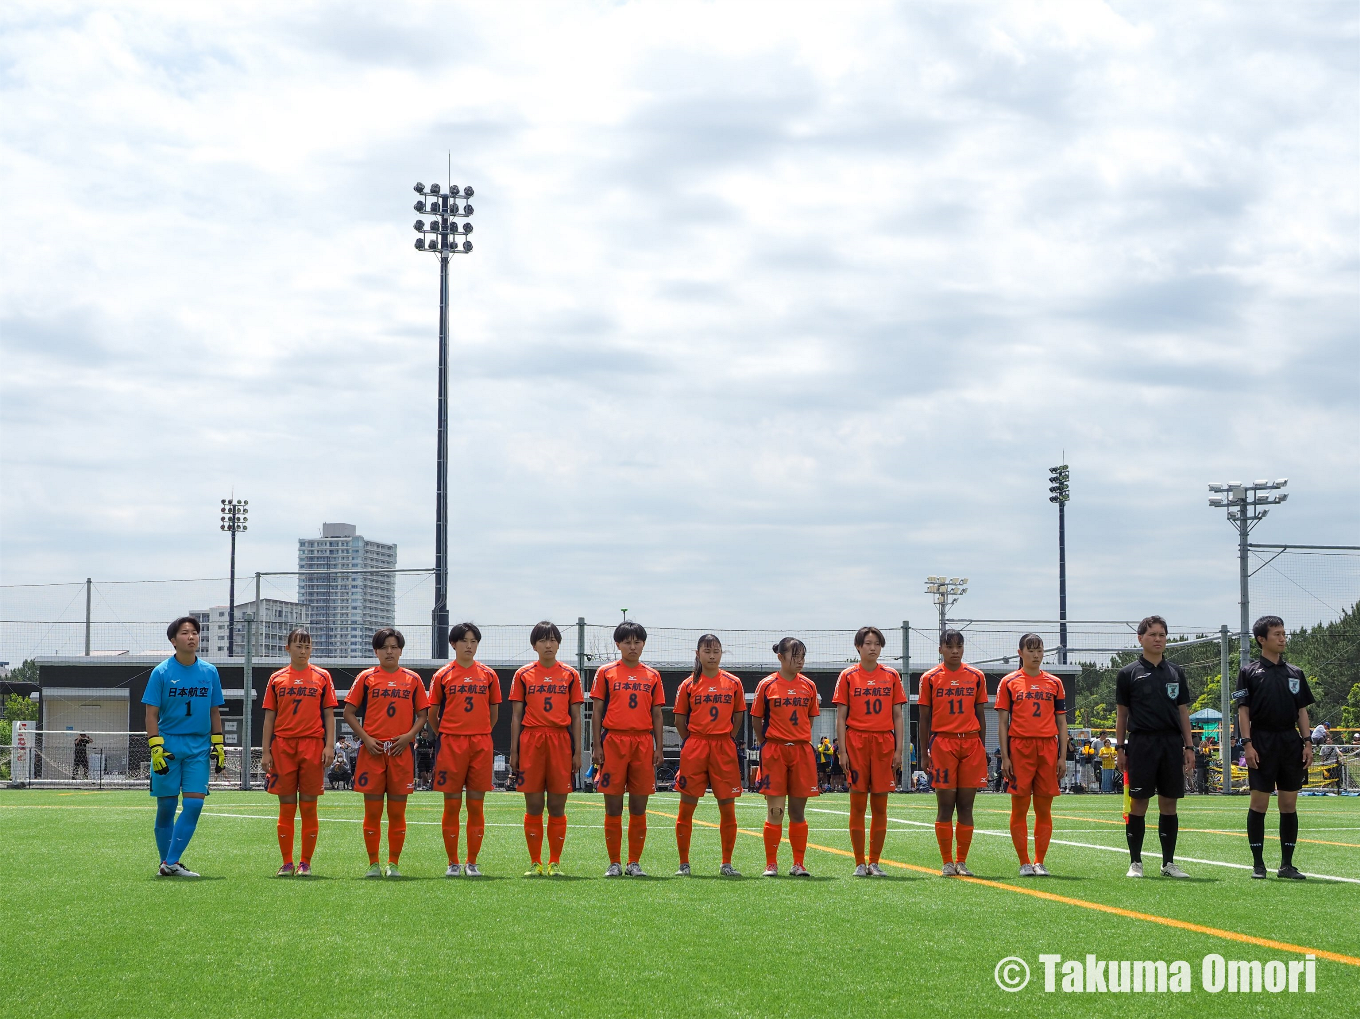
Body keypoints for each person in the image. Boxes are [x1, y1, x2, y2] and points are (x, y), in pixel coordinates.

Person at [142, 616, 226, 877]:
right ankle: (167, 863)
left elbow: (214, 712)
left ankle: (171, 862)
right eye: (185, 633)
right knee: (166, 808)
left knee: (194, 805)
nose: (191, 637)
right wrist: (156, 747)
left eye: (195, 633)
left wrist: (219, 743)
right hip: (168, 748)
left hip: (198, 748)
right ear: (173, 640)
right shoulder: (161, 672)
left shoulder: (209, 672)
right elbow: (151, 714)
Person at [342, 628, 429, 878]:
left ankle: (393, 863)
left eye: (394, 647)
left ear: (401, 650)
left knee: (397, 812)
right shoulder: (366, 677)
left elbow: (423, 715)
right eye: (384, 647)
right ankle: (373, 864)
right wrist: (366, 738)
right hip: (373, 751)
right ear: (376, 651)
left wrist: (409, 737)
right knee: (372, 812)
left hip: (400, 752)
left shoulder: (412, 679)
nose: (389, 651)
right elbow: (349, 712)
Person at [1234, 614, 1314, 880]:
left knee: (1289, 804)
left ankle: (1287, 865)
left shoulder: (1296, 673)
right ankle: (1258, 864)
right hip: (1262, 740)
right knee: (1259, 803)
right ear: (1261, 639)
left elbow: (1301, 711)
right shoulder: (1248, 672)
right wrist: (1247, 744)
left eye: (1283, 633)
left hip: (1290, 742)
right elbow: (1243, 712)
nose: (1283, 638)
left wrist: (1307, 743)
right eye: (1277, 634)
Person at [1115, 615, 1195, 879]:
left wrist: (1189, 746)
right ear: (1140, 638)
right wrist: (1120, 748)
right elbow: (1122, 715)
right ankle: (1135, 862)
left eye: (1162, 634)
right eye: (1153, 635)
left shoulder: (1175, 672)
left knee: (1169, 803)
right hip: (1141, 743)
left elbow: (1183, 712)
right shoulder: (1128, 674)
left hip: (1171, 743)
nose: (1158, 639)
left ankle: (1168, 863)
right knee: (1138, 803)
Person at [509, 620, 584, 877]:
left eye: (552, 639)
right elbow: (516, 716)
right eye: (542, 640)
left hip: (560, 741)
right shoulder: (523, 674)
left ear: (559, 644)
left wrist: (577, 751)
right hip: (531, 740)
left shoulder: (571, 674)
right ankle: (535, 862)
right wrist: (515, 751)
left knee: (557, 804)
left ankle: (554, 862)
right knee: (533, 804)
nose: (548, 644)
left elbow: (576, 716)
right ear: (534, 645)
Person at [591, 621, 666, 877]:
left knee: (638, 806)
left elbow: (657, 714)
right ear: (618, 645)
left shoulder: (653, 676)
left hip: (643, 744)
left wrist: (659, 747)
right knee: (612, 806)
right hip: (613, 742)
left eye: (637, 642)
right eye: (627, 642)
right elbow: (597, 712)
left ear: (643, 644)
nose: (632, 647)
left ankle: (634, 862)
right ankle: (614, 862)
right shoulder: (605, 672)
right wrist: (597, 746)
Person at [428, 622, 502, 878]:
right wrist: (448, 734)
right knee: (451, 805)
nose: (469, 646)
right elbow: (432, 714)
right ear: (453, 644)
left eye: (473, 641)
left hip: (480, 743)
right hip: (451, 743)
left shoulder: (488, 675)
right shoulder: (442, 675)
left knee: (476, 805)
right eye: (464, 641)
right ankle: (452, 862)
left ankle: (472, 862)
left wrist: (478, 732)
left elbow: (494, 714)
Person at [261, 628, 336, 877]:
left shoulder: (322, 676)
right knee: (286, 806)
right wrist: (265, 752)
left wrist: (329, 745)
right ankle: (286, 862)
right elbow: (269, 717)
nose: (303, 651)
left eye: (307, 646)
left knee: (309, 806)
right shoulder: (277, 678)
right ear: (288, 648)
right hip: (282, 746)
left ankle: (305, 862)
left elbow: (329, 715)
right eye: (298, 646)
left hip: (312, 745)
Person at [834, 625, 907, 877]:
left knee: (880, 806)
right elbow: (840, 716)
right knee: (857, 805)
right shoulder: (848, 676)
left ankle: (874, 862)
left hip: (883, 743)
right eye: (868, 643)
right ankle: (858, 862)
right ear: (858, 646)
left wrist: (899, 749)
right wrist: (842, 752)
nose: (873, 647)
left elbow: (898, 715)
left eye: (877, 643)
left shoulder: (891, 675)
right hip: (856, 741)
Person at [671, 634, 745, 877]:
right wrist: (692, 741)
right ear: (698, 653)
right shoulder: (688, 684)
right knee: (687, 806)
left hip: (723, 746)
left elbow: (738, 716)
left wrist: (726, 738)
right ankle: (684, 863)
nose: (712, 655)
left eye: (716, 651)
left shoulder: (733, 682)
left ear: (721, 653)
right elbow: (680, 720)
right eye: (707, 651)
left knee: (727, 807)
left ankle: (726, 863)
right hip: (696, 746)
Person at [996, 633, 1068, 877]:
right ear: (1020, 653)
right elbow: (1003, 722)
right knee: (1020, 807)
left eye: (1040, 651)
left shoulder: (1054, 683)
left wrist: (1061, 756)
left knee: (1044, 808)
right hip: (1020, 747)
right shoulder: (1009, 682)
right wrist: (1005, 757)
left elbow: (1061, 722)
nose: (1036, 655)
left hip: (1047, 748)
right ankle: (1024, 861)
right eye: (1031, 650)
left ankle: (1040, 861)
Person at [917, 629, 986, 877]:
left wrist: (981, 747)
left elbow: (980, 715)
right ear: (940, 649)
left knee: (966, 805)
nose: (955, 651)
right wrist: (925, 754)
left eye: (959, 646)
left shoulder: (976, 676)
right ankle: (947, 861)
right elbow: (924, 719)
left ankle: (962, 861)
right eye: (949, 646)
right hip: (943, 744)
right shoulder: (930, 678)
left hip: (970, 744)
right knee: (945, 805)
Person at [751, 637, 820, 877]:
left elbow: (810, 719)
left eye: (802, 656)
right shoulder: (767, 685)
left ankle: (798, 864)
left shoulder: (809, 686)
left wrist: (799, 738)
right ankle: (771, 863)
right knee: (776, 811)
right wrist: (767, 744)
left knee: (798, 812)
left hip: (801, 751)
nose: (799, 661)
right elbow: (756, 720)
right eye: (795, 656)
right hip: (775, 751)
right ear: (780, 657)